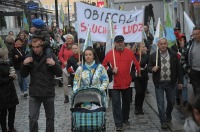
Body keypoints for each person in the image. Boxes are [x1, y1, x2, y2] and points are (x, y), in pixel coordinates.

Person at [20, 32, 62, 132]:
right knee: (33, 118)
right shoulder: (29, 56)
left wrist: (54, 64)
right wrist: (24, 64)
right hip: (35, 92)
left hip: (48, 91)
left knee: (50, 118)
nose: (35, 49)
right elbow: (23, 75)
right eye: (33, 47)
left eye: (37, 47)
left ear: (42, 45)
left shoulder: (50, 55)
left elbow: (59, 72)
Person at [102, 35, 140, 131]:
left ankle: (125, 118)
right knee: (116, 103)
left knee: (127, 102)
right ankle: (118, 123)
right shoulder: (110, 54)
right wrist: (111, 70)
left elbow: (136, 66)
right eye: (118, 41)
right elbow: (103, 67)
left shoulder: (129, 53)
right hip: (114, 84)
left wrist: (133, 76)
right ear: (114, 43)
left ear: (124, 42)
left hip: (127, 83)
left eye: (121, 41)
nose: (120, 43)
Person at [147, 38, 183, 129]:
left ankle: (168, 114)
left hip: (171, 82)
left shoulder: (174, 55)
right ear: (158, 45)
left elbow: (179, 69)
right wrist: (152, 69)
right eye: (161, 44)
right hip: (159, 83)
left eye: (164, 43)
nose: (163, 45)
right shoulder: (153, 56)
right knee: (160, 103)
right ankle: (163, 121)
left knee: (171, 101)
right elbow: (148, 67)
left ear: (167, 44)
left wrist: (180, 81)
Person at [0, 44, 19, 132]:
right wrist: (10, 78)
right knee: (3, 112)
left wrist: (13, 75)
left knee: (12, 110)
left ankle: (11, 127)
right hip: (2, 92)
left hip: (10, 90)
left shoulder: (7, 63)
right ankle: (4, 128)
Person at [181, 26, 200, 96]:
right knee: (197, 92)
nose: (194, 36)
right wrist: (188, 70)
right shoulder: (189, 44)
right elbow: (182, 59)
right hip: (194, 72)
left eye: (197, 34)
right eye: (193, 34)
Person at [133, 42, 149, 115]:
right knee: (138, 92)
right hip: (137, 76)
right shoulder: (135, 55)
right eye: (142, 47)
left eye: (144, 47)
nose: (144, 48)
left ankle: (140, 107)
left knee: (143, 92)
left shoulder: (145, 55)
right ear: (138, 48)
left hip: (144, 76)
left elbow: (147, 63)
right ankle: (136, 107)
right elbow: (136, 63)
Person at [58, 34, 73, 103]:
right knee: (65, 82)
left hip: (73, 67)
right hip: (65, 67)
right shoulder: (63, 46)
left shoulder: (74, 46)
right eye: (67, 38)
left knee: (73, 82)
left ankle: (74, 95)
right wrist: (63, 62)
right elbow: (60, 56)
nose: (69, 39)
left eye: (70, 38)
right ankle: (66, 96)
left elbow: (76, 55)